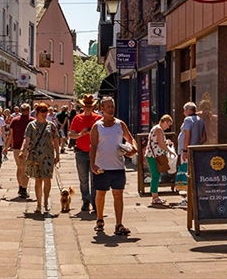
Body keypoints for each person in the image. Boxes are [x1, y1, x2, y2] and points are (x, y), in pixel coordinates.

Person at [90, 96, 137, 235]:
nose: (111, 109)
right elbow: (93, 146)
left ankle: (119, 224)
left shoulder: (120, 124)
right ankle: (99, 220)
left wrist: (133, 149)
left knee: (118, 195)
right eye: (108, 106)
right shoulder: (97, 126)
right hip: (102, 166)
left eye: (112, 106)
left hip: (118, 166)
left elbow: (130, 139)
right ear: (102, 109)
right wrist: (92, 164)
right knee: (101, 194)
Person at [21, 102, 60, 215]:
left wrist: (58, 154)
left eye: (46, 111)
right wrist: (23, 151)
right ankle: (39, 204)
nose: (44, 114)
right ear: (37, 113)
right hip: (35, 156)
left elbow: (56, 140)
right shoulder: (31, 125)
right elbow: (27, 139)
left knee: (47, 179)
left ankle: (46, 202)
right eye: (42, 111)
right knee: (38, 180)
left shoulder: (51, 125)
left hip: (48, 156)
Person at [68, 95, 102, 213]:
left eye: (90, 106)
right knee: (83, 179)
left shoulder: (98, 118)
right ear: (83, 106)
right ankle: (85, 200)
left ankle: (94, 202)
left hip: (95, 153)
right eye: (86, 106)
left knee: (95, 179)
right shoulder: (77, 119)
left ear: (93, 107)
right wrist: (80, 135)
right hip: (81, 152)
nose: (88, 108)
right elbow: (71, 134)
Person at [176, 101, 207, 208]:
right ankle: (193, 196)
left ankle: (189, 199)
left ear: (189, 110)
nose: (184, 112)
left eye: (185, 109)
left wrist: (185, 150)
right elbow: (204, 138)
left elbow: (187, 136)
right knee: (193, 174)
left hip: (187, 151)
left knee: (187, 174)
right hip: (196, 151)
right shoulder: (200, 120)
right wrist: (196, 144)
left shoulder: (188, 120)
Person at [146, 114, 174, 205]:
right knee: (155, 176)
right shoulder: (159, 129)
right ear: (164, 121)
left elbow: (157, 142)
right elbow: (161, 144)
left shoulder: (157, 128)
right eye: (168, 124)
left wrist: (167, 142)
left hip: (153, 154)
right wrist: (170, 151)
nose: (168, 126)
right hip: (154, 155)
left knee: (156, 175)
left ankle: (155, 196)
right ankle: (155, 197)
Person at [10, 103, 34, 198]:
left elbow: (10, 135)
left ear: (20, 110)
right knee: (26, 168)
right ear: (29, 110)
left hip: (16, 147)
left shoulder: (15, 120)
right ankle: (24, 188)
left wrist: (5, 146)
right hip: (28, 148)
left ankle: (20, 186)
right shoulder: (32, 121)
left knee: (19, 168)